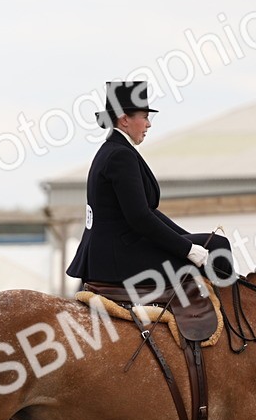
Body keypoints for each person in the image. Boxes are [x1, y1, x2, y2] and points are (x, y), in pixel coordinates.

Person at [66, 80, 234, 292]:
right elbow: (139, 217)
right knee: (219, 247)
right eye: (145, 117)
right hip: (118, 259)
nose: (149, 124)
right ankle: (232, 318)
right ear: (125, 119)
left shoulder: (114, 149)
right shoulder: (120, 155)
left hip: (113, 253)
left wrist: (187, 240)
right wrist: (188, 249)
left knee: (213, 243)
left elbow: (148, 212)